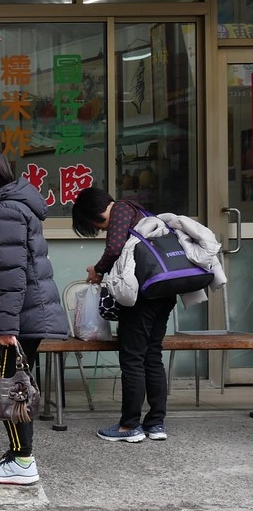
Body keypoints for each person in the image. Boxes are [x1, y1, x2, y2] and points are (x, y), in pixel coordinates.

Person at [0, 148, 69, 485]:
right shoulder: (9, 206)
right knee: (12, 387)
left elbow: (10, 273)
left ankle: (23, 462)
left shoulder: (1, 211)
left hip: (17, 320)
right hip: (23, 316)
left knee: (11, 389)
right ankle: (18, 456)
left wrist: (7, 327)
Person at [72, 186, 175, 443]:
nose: (103, 230)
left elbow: (115, 248)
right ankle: (156, 423)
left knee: (133, 359)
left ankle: (129, 426)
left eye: (98, 226)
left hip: (142, 296)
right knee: (152, 356)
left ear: (93, 214)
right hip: (164, 291)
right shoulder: (138, 211)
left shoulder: (119, 210)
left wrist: (97, 270)